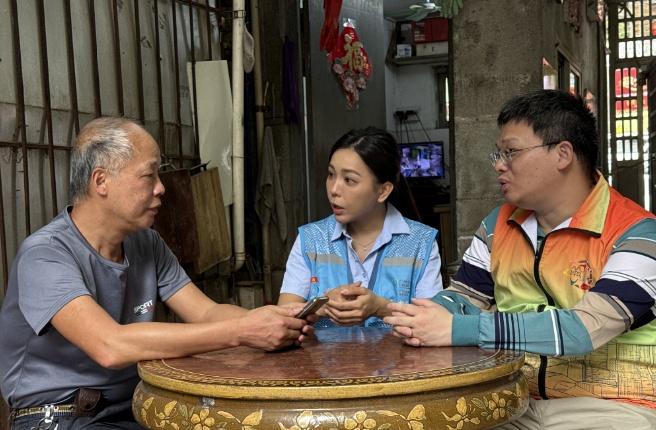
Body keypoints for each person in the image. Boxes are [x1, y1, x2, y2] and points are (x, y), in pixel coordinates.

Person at [0, 117, 313, 429]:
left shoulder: (146, 243)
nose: (161, 188)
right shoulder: (45, 254)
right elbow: (110, 346)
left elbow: (206, 313)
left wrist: (273, 321)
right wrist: (242, 331)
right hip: (59, 415)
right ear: (101, 181)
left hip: (134, 407)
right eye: (149, 175)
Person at [385, 90, 656, 429]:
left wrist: (457, 328)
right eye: (498, 153)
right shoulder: (498, 225)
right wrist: (421, 318)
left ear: (563, 154)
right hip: (514, 401)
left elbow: (583, 329)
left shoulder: (638, 234)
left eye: (511, 152)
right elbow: (465, 297)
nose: (499, 164)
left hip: (618, 407)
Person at [278, 127, 443, 327]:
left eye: (349, 180)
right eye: (331, 175)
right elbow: (282, 318)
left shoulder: (421, 243)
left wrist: (380, 308)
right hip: (319, 350)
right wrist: (322, 306)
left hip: (399, 350)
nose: (334, 189)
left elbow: (433, 324)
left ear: (383, 191)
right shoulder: (311, 239)